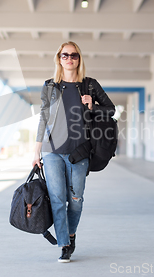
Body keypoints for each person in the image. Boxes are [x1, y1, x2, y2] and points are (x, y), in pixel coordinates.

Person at [32, 41, 115, 263]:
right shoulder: (50, 86)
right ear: (59, 58)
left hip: (79, 152)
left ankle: (70, 233)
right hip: (52, 152)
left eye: (74, 55)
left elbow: (111, 110)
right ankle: (64, 244)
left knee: (75, 199)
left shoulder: (89, 85)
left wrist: (92, 105)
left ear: (79, 58)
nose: (69, 59)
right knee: (58, 199)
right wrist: (36, 152)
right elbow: (44, 118)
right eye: (65, 55)